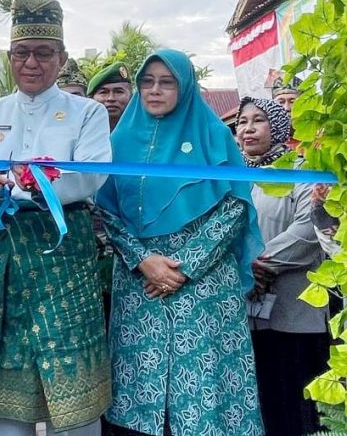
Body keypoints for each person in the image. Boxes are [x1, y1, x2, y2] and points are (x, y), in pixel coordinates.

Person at [0, 0, 112, 436]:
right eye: (22, 53)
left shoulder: (89, 113)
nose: (31, 63)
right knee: (8, 383)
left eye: (43, 53)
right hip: (1, 258)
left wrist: (26, 184)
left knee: (73, 387)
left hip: (63, 258)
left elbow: (89, 176)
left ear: (61, 58)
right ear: (9, 58)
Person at [96, 51, 265, 436]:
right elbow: (105, 209)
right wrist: (143, 260)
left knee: (206, 397)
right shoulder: (118, 141)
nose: (155, 90)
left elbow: (234, 208)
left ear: (184, 87)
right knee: (142, 394)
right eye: (147, 81)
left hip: (203, 288)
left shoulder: (213, 135)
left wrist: (183, 266)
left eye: (167, 82)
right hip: (141, 287)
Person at [236, 97, 328, 436]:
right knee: (263, 399)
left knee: (299, 400)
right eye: (242, 122)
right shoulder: (233, 174)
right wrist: (242, 270)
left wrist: (258, 265)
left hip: (294, 307)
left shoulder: (300, 171)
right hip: (245, 309)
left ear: (277, 126)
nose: (248, 128)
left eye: (258, 120)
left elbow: (308, 230)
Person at [87, 63, 132, 132]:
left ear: (131, 96)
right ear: (91, 98)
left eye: (118, 92)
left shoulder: (144, 131)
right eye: (104, 92)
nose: (111, 98)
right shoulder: (82, 131)